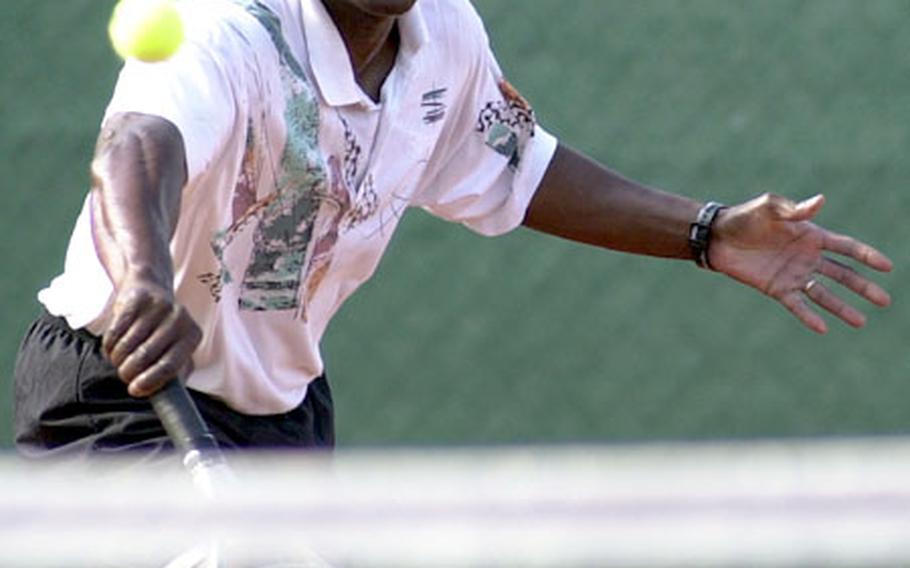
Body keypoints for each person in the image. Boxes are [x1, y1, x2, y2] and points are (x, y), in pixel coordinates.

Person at [14, 0, 892, 456]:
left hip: (280, 414)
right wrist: (144, 278)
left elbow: (522, 165)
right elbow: (139, 144)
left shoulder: (444, 38)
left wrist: (705, 231)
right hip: (126, 393)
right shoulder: (230, 25)